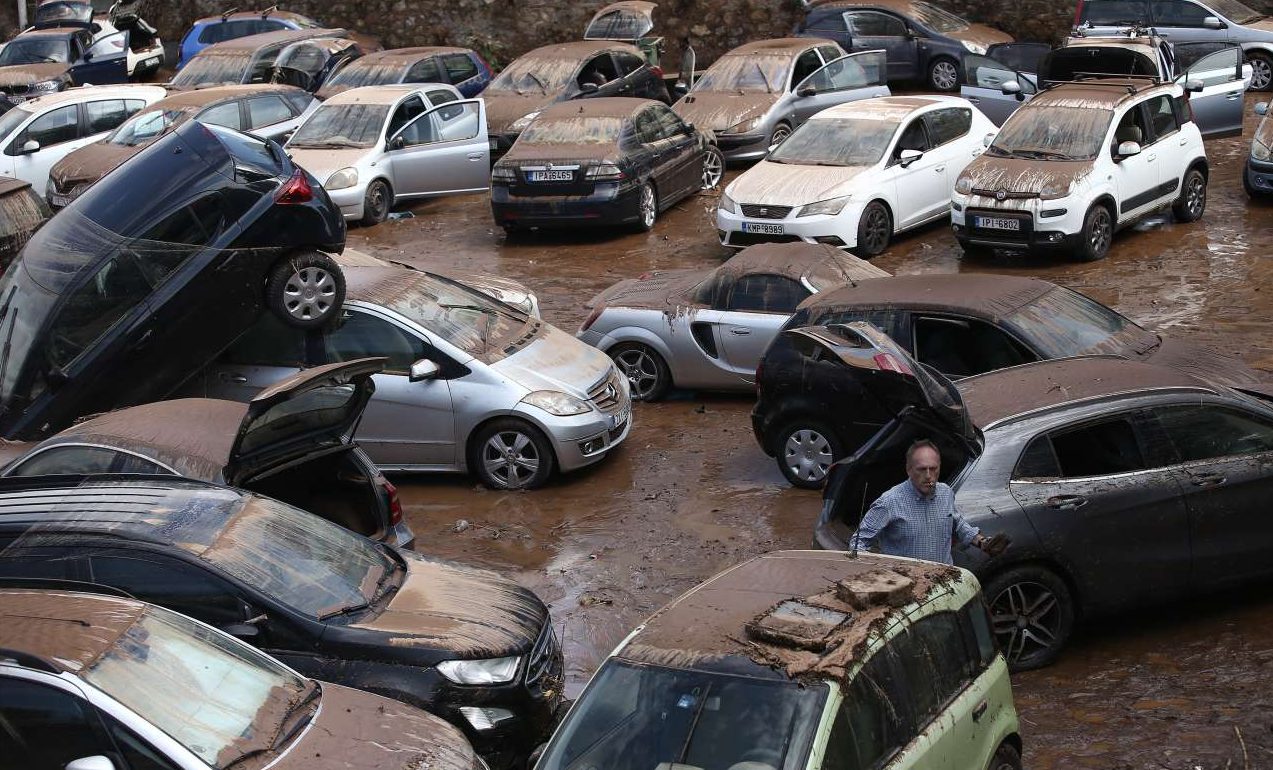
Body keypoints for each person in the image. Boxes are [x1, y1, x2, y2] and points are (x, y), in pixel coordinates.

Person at [849, 439, 997, 565]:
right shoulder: (889, 502)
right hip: (907, 588)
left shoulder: (945, 493)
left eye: (933, 469)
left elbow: (957, 524)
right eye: (921, 469)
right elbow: (858, 543)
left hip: (944, 582)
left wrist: (982, 542)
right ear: (909, 469)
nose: (928, 476)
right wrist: (876, 573)